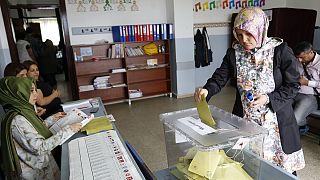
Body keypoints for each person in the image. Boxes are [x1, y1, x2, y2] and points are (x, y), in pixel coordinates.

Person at [194, 7, 305, 174]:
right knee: (248, 165)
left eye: (248, 34)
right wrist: (207, 90)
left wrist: (268, 98)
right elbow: (220, 77)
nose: (243, 40)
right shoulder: (234, 53)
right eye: (239, 35)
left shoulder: (280, 51)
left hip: (276, 122)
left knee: (281, 169)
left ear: (261, 29)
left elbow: (293, 85)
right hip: (245, 119)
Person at [0, 77, 82, 179]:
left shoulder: (23, 110)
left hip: (40, 166)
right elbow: (39, 148)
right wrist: (69, 130)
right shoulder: (18, 120)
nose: (36, 94)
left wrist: (52, 119)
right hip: (35, 173)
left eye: (35, 90)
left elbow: (32, 132)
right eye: (30, 91)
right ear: (17, 94)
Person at [292, 41, 320, 134]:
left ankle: (303, 125)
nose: (299, 60)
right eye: (298, 57)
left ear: (311, 52)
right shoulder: (298, 61)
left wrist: (307, 83)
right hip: (294, 92)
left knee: (295, 119)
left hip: (311, 96)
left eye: (302, 57)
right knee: (279, 110)